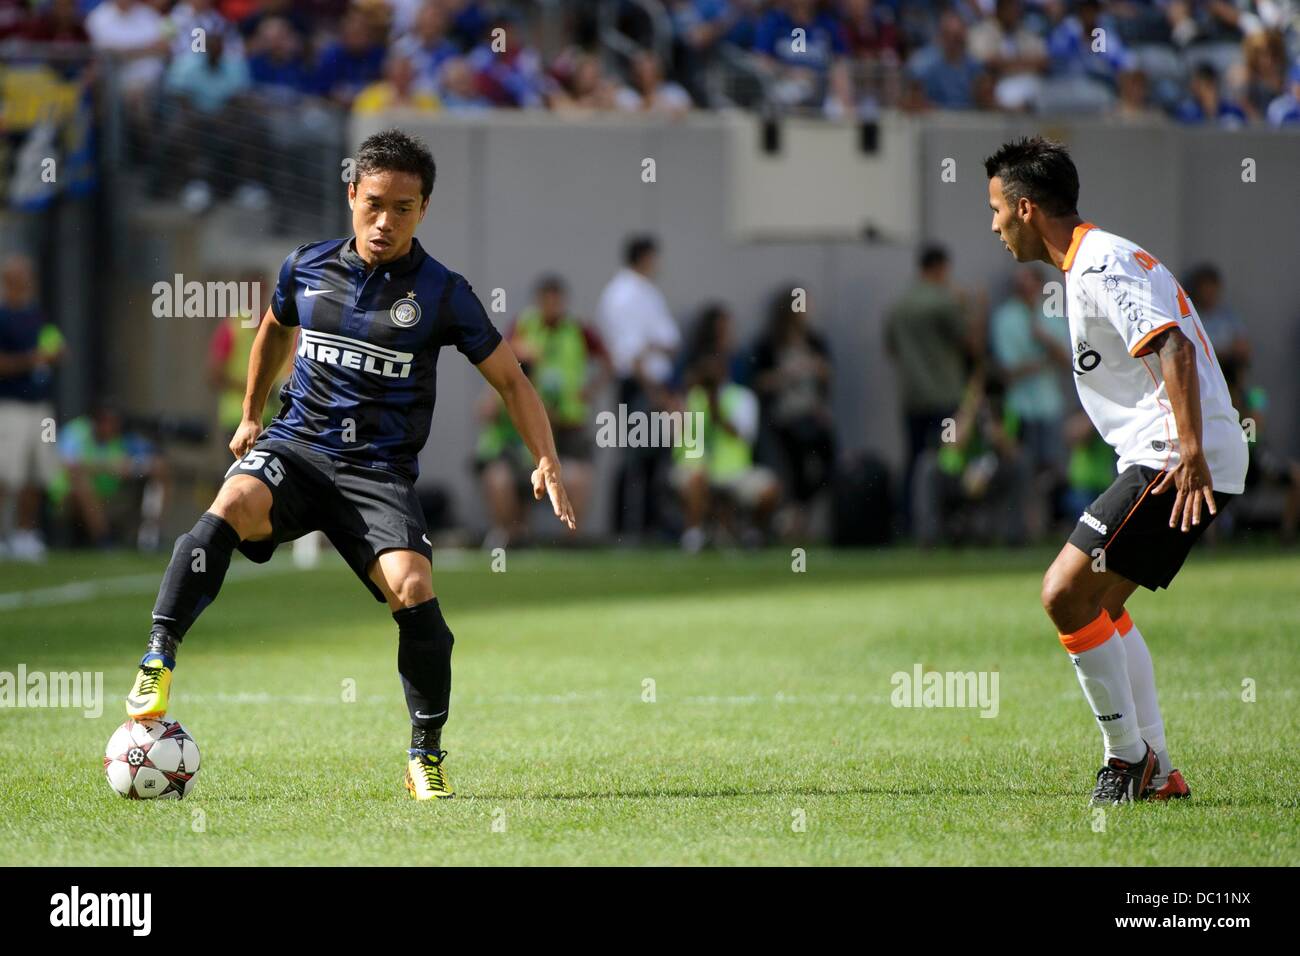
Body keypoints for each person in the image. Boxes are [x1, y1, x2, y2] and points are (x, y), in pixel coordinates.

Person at [120, 129, 576, 800]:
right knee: (229, 507)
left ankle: (425, 755)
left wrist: (547, 458)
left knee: (414, 589)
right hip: (297, 447)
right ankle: (159, 652)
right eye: (374, 204)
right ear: (351, 195)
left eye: (403, 208)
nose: (385, 220)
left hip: (378, 472)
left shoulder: (444, 293)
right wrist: (251, 413)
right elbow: (274, 328)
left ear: (423, 210)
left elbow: (512, 380)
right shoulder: (305, 266)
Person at [985, 137, 1248, 806]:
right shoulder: (1088, 266)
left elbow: (1173, 346)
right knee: (1099, 606)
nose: (993, 227)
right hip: (1170, 452)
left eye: (995, 210)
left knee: (1062, 593)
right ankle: (1156, 771)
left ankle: (1127, 760)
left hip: (1173, 458)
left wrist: (1188, 452)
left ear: (1026, 208)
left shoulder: (1100, 263)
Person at [884, 242, 977, 534]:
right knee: (948, 460)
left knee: (914, 460)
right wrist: (967, 306)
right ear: (940, 267)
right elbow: (970, 343)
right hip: (944, 394)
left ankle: (908, 522)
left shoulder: (899, 305)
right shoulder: (943, 302)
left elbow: (891, 348)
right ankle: (946, 524)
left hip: (912, 396)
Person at [596, 235, 682, 539]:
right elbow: (631, 352)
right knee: (634, 455)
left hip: (656, 383)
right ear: (644, 257)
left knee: (654, 456)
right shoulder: (623, 295)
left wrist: (653, 350)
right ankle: (624, 528)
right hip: (641, 385)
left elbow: (669, 343)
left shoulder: (647, 293)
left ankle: (648, 524)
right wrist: (654, 390)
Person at [0, 254, 64, 561]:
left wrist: (54, 354)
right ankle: (3, 535)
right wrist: (32, 359)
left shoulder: (37, 315)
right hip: (11, 406)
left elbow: (55, 346)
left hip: (42, 409)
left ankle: (26, 533)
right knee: (6, 473)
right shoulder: (3, 317)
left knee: (39, 471)